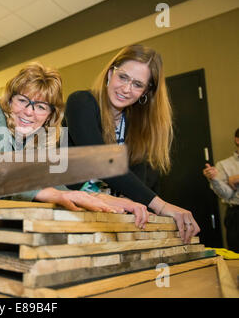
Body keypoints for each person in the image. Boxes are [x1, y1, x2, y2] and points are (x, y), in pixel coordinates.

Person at [0, 62, 151, 229]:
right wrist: (54, 194)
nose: (29, 112)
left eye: (41, 107)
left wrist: (98, 198)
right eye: (22, 101)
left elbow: (53, 185)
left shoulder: (40, 139)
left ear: (50, 116)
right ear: (10, 98)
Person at [64, 44, 200, 243]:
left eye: (137, 84)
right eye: (123, 77)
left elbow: (137, 180)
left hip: (111, 217)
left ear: (146, 91)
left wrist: (137, 205)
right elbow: (101, 162)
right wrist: (161, 206)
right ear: (110, 73)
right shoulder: (81, 102)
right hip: (70, 208)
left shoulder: (137, 124)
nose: (126, 89)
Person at [203, 128, 239, 252]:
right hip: (236, 215)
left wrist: (236, 178)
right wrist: (214, 179)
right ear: (237, 140)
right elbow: (227, 194)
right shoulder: (224, 165)